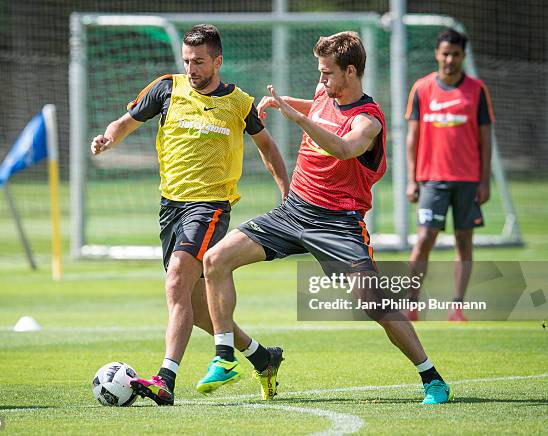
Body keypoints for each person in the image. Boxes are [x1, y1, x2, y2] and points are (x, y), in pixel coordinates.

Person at [197, 31, 453, 404]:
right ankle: (224, 357)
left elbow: (345, 147)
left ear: (350, 72)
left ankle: (432, 379)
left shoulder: (370, 120)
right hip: (294, 211)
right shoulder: (323, 95)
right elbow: (318, 108)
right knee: (215, 259)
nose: (321, 81)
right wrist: (283, 102)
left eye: (327, 74)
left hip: (338, 223)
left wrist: (297, 118)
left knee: (374, 303)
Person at [91, 24, 289, 405]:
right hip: (171, 207)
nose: (191, 68)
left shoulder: (239, 103)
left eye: (198, 62)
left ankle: (165, 379)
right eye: (186, 61)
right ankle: (263, 357)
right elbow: (126, 122)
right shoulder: (167, 87)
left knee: (177, 279)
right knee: (198, 308)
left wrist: (285, 192)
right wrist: (108, 138)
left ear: (217, 61)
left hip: (211, 206)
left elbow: (267, 147)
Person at [405, 29, 494, 322]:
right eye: (445, 53)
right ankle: (411, 303)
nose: (450, 59)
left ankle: (457, 307)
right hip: (432, 178)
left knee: (464, 241)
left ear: (463, 56)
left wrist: (484, 180)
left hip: (468, 180)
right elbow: (412, 138)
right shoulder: (422, 88)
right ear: (437, 54)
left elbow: (486, 139)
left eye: (455, 54)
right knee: (424, 238)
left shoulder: (477, 90)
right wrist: (411, 179)